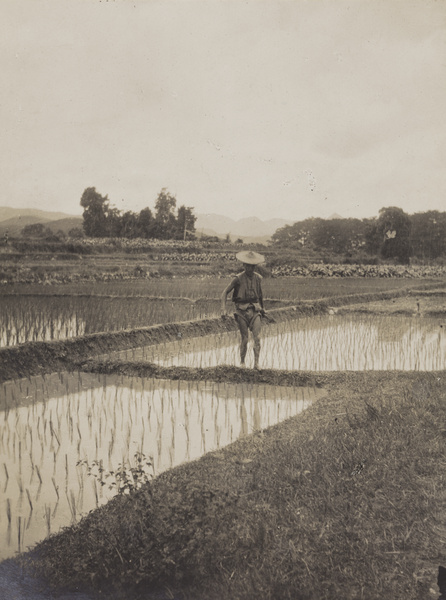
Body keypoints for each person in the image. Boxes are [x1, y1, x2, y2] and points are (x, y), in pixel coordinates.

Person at [221, 250, 266, 369]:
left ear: (255, 267)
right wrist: (223, 309)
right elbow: (225, 292)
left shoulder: (258, 278)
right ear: (244, 265)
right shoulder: (238, 279)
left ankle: (256, 364)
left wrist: (263, 308)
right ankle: (242, 362)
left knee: (257, 338)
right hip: (241, 310)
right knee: (245, 339)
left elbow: (260, 295)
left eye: (252, 266)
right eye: (247, 266)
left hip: (255, 310)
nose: (250, 269)